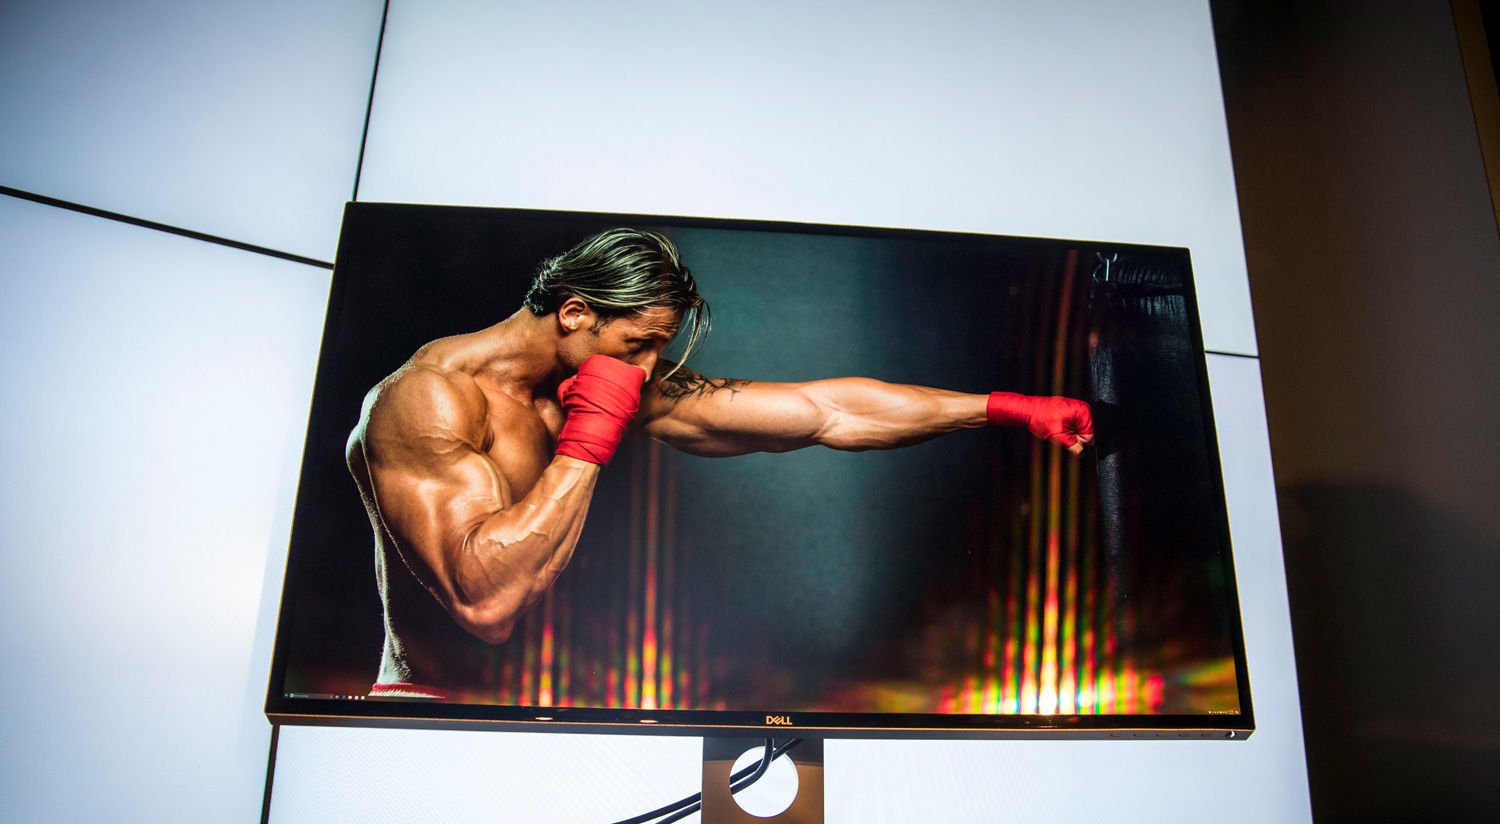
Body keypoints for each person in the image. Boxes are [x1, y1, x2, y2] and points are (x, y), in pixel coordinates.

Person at [347, 228, 1093, 698]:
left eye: (658, 349)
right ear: (575, 313)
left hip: (554, 708)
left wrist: (1005, 408)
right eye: (637, 345)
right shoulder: (428, 400)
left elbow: (826, 411)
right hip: (431, 716)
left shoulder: (607, 384)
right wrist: (588, 439)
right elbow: (486, 604)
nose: (646, 370)